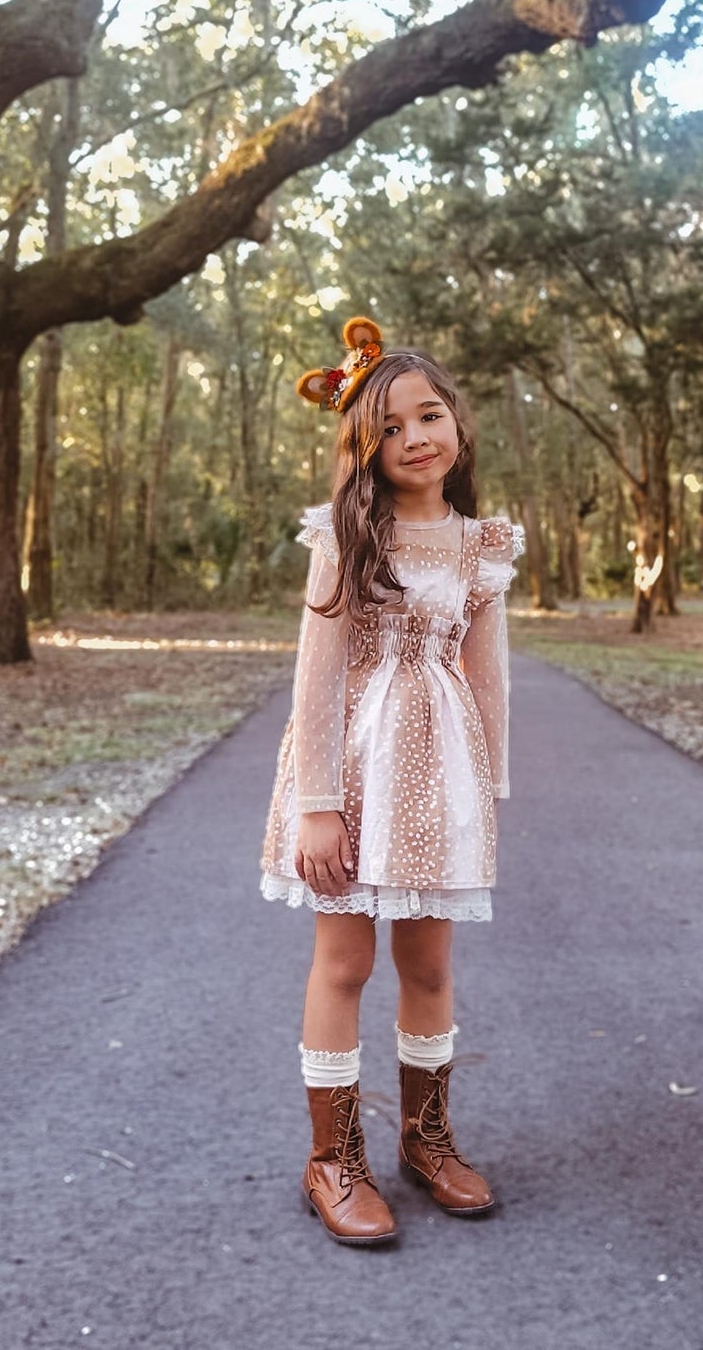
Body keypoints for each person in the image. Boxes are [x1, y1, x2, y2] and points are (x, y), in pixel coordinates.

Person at [259, 315, 525, 1247]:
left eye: (429, 416)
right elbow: (317, 675)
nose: (415, 437)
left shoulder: (481, 544)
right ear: (364, 447)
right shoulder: (346, 534)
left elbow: (486, 675)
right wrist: (317, 805)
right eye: (391, 427)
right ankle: (331, 1156)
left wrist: (486, 794)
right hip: (354, 773)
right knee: (345, 961)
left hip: (440, 777)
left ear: (457, 422)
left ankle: (425, 1136)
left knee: (429, 963)